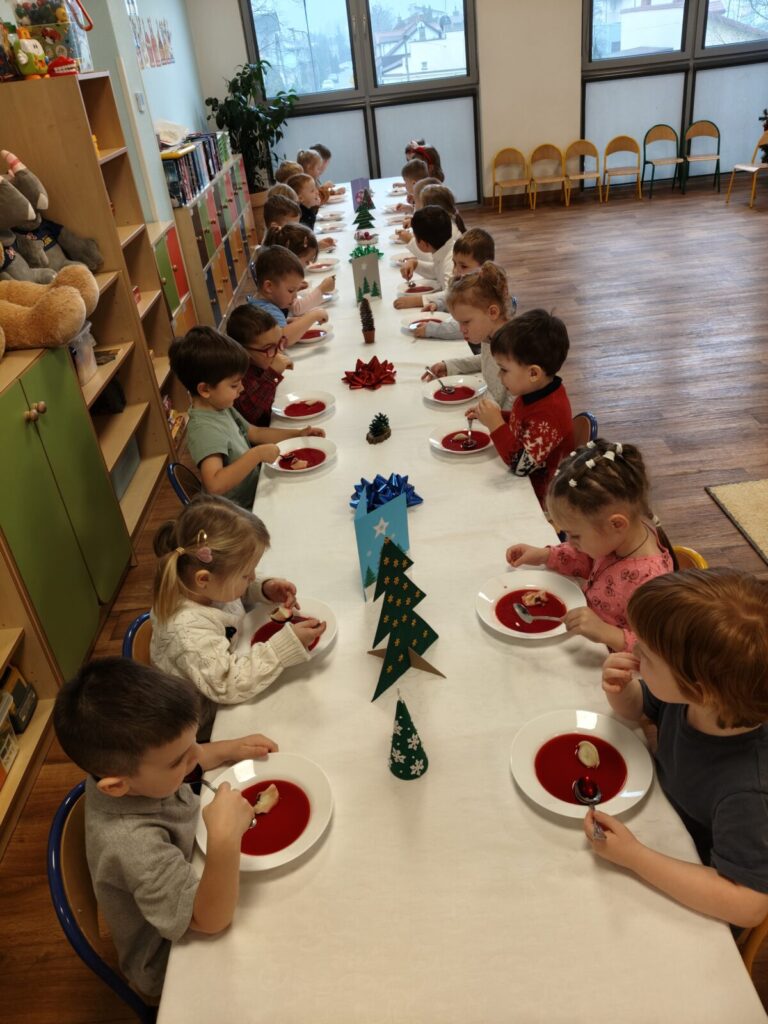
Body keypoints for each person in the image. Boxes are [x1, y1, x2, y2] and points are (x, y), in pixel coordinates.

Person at [53, 657, 279, 999]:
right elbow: (210, 920)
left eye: (193, 743)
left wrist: (229, 748)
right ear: (117, 787)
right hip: (170, 962)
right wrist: (223, 839)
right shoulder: (132, 844)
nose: (196, 756)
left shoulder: (138, 775)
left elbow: (182, 755)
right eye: (179, 760)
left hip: (187, 870)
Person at [586, 568, 768, 929]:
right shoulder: (694, 699)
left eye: (648, 656)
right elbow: (642, 707)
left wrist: (635, 857)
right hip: (656, 813)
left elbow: (748, 906)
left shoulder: (749, 792)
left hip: (692, 876)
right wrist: (622, 692)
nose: (633, 650)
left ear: (700, 689)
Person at [150, 494, 325, 732]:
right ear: (204, 579)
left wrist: (263, 587)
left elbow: (229, 590)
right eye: (246, 575)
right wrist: (283, 647)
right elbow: (228, 684)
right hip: (209, 720)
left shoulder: (203, 586)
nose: (252, 576)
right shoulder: (187, 632)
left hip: (240, 663)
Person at [505, 439, 675, 648]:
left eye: (575, 536)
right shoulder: (617, 539)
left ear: (616, 524)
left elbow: (658, 651)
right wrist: (545, 555)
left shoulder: (650, 582)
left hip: (607, 657)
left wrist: (607, 633)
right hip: (582, 632)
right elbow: (587, 558)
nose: (570, 542)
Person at [170, 327, 324, 508]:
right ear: (205, 389)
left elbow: (255, 433)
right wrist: (256, 455)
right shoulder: (204, 430)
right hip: (242, 510)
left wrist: (297, 434)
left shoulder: (219, 407)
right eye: (234, 385)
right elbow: (214, 485)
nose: (242, 389)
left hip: (257, 491)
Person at [469, 309, 574, 501]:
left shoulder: (550, 412)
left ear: (533, 373)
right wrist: (497, 415)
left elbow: (521, 465)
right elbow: (525, 423)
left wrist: (495, 424)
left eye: (504, 370)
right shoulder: (533, 391)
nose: (499, 376)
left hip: (541, 496)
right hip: (523, 484)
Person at [422, 262, 514, 409]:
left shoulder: (515, 351)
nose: (461, 329)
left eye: (466, 322)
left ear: (492, 312)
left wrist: (495, 417)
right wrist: (451, 365)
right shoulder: (490, 337)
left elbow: (516, 406)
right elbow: (486, 360)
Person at [413, 228, 500, 340]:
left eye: (463, 266)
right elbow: (457, 299)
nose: (455, 271)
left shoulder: (483, 291)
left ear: (484, 267)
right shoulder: (470, 285)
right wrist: (438, 304)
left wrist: (431, 329)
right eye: (454, 264)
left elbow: (460, 328)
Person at [247, 244, 328, 346]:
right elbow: (283, 339)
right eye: (291, 290)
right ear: (269, 287)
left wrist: (287, 321)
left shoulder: (259, 304)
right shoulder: (267, 311)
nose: (295, 297)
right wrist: (314, 315)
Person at [227, 304, 292, 428]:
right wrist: (272, 374)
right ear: (243, 350)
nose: (278, 352)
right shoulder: (237, 375)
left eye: (279, 342)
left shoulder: (261, 359)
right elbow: (250, 415)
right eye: (269, 348)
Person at [262, 223, 336, 313]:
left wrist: (295, 287)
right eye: (307, 261)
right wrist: (322, 289)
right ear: (293, 257)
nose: (309, 264)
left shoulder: (279, 271)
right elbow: (297, 309)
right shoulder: (281, 275)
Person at [393, 206, 455, 310]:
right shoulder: (445, 249)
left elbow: (452, 294)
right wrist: (415, 264)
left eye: (415, 236)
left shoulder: (452, 260)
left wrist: (418, 300)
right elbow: (438, 271)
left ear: (423, 243)